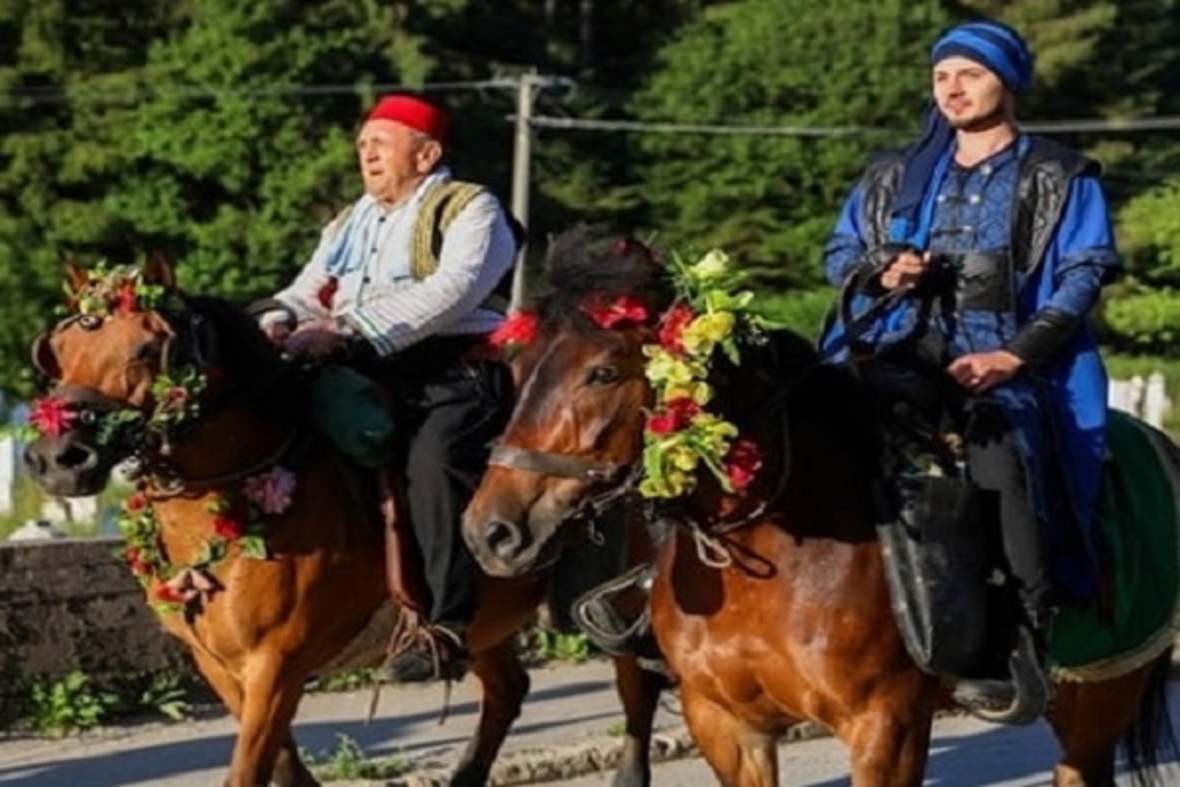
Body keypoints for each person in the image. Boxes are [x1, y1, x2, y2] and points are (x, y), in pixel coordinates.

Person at [818, 19, 1121, 711]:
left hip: (1009, 350)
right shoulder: (891, 173)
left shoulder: (1060, 174)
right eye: (941, 76)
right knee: (815, 417)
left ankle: (1021, 630)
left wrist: (1011, 356)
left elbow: (1082, 275)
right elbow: (839, 253)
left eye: (970, 74)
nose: (952, 89)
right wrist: (880, 268)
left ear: (1006, 82)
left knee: (999, 452)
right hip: (897, 344)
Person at [256, 93, 519, 682]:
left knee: (434, 460)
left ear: (426, 155)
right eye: (361, 146)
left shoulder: (470, 208)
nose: (366, 154)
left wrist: (348, 329)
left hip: (451, 369)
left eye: (380, 143)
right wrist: (278, 323)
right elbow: (307, 289)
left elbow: (454, 289)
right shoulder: (352, 220)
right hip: (353, 361)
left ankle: (446, 625)